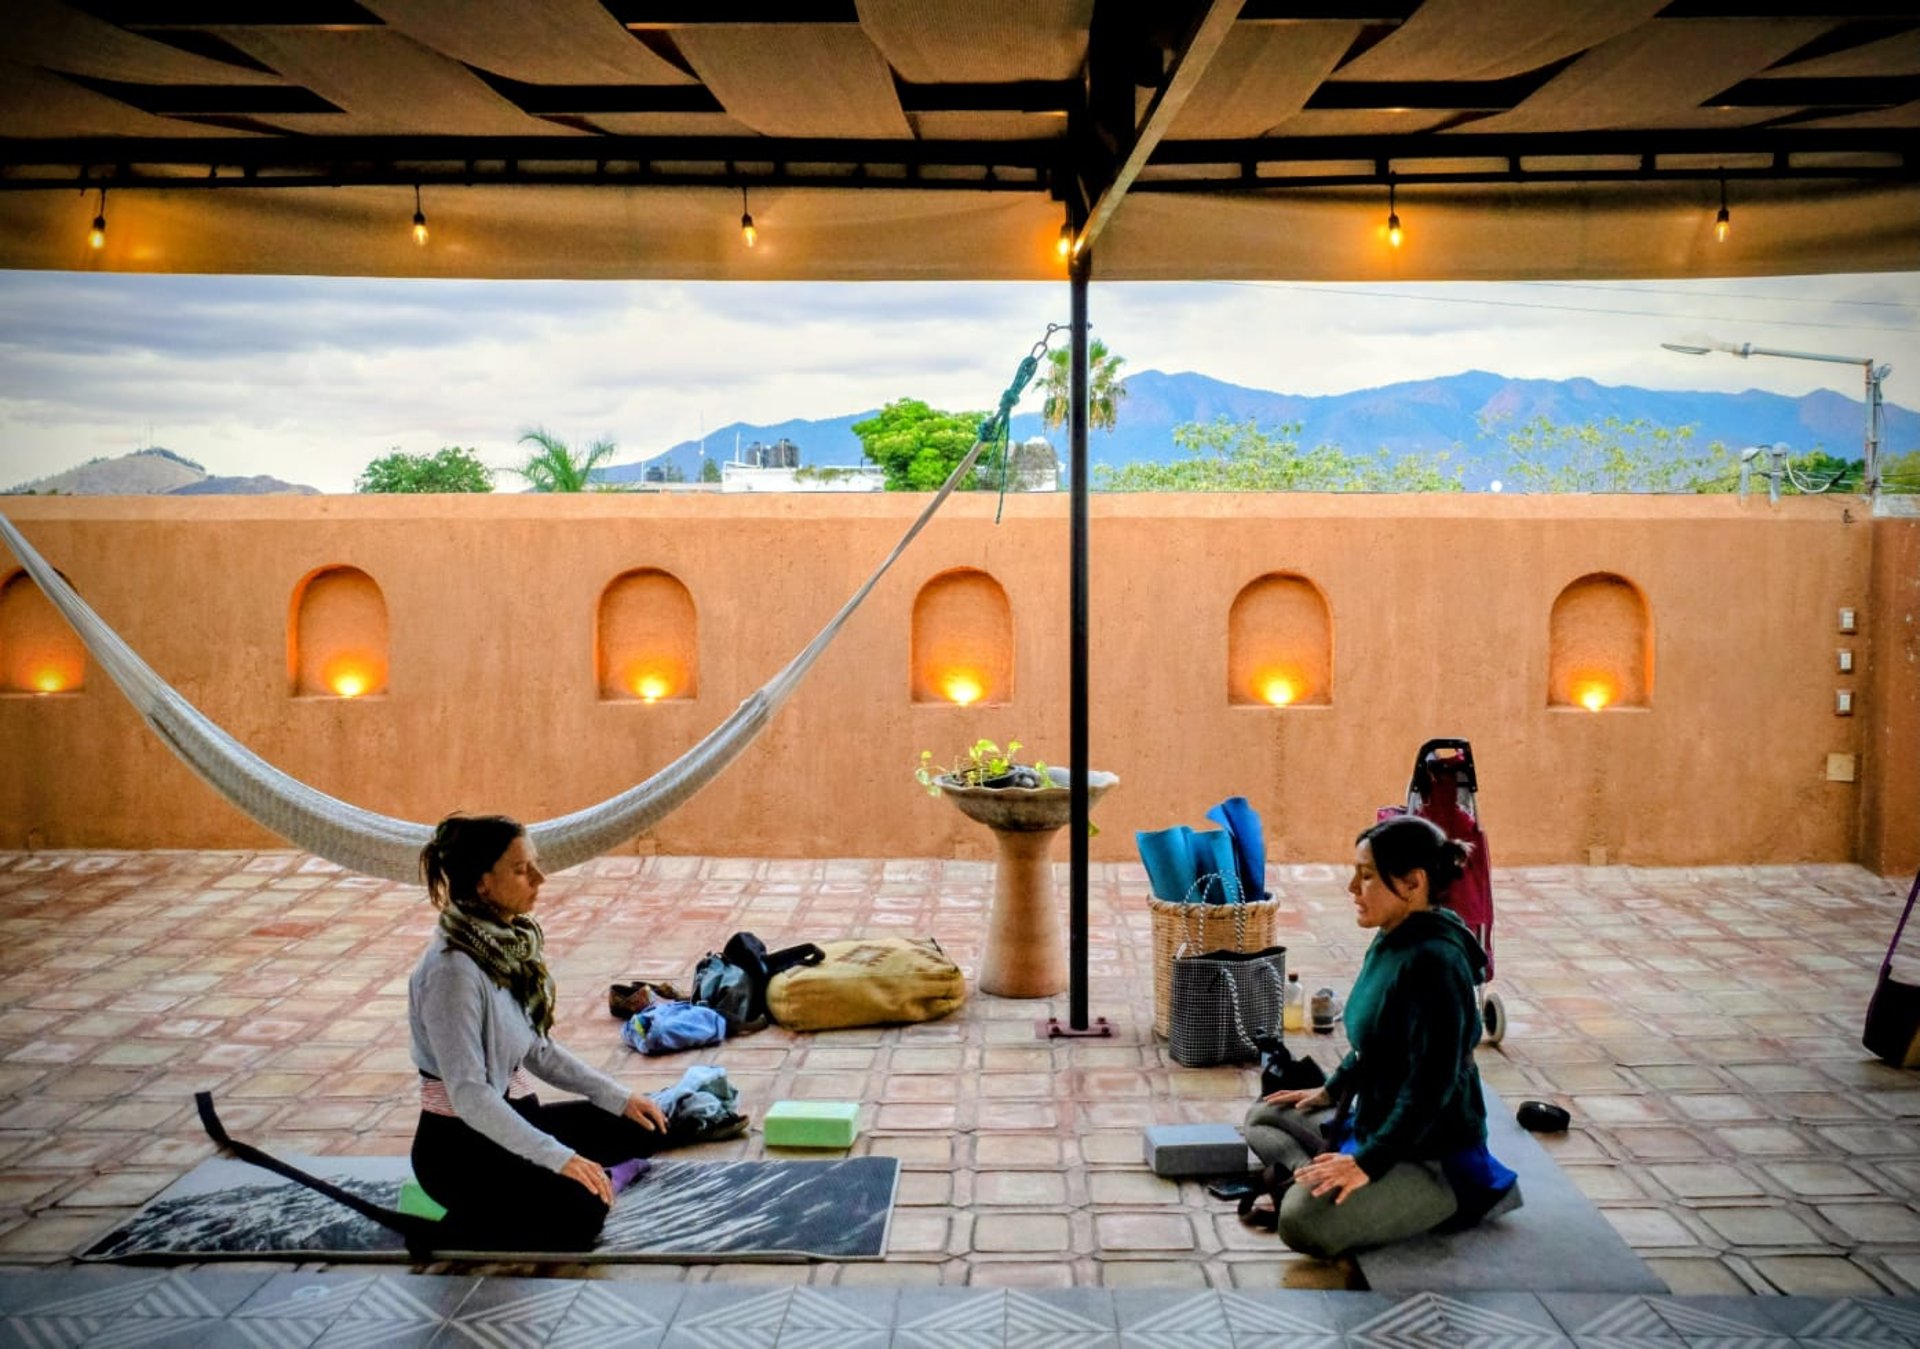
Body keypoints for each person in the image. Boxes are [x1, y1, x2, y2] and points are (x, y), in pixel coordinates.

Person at [409, 813, 702, 1251]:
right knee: (582, 1213)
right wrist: (558, 1157)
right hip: (461, 1151)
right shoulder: (453, 972)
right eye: (522, 869)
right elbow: (470, 1096)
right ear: (482, 882)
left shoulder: (503, 949)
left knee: (645, 1125)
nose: (539, 878)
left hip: (519, 1119)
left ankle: (560, 1182)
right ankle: (458, 1224)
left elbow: (538, 1051)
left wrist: (618, 1097)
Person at [1240, 814, 1520, 1258]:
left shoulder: (1436, 963)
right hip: (1374, 1116)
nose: (1353, 887)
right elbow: (1378, 1039)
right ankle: (1325, 1173)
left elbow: (1430, 1088)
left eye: (1366, 876)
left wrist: (1367, 1162)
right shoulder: (1395, 935)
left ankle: (1424, 1197)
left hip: (1428, 1151)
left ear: (1413, 883)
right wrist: (1330, 1090)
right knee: (1264, 1117)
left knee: (1300, 1222)